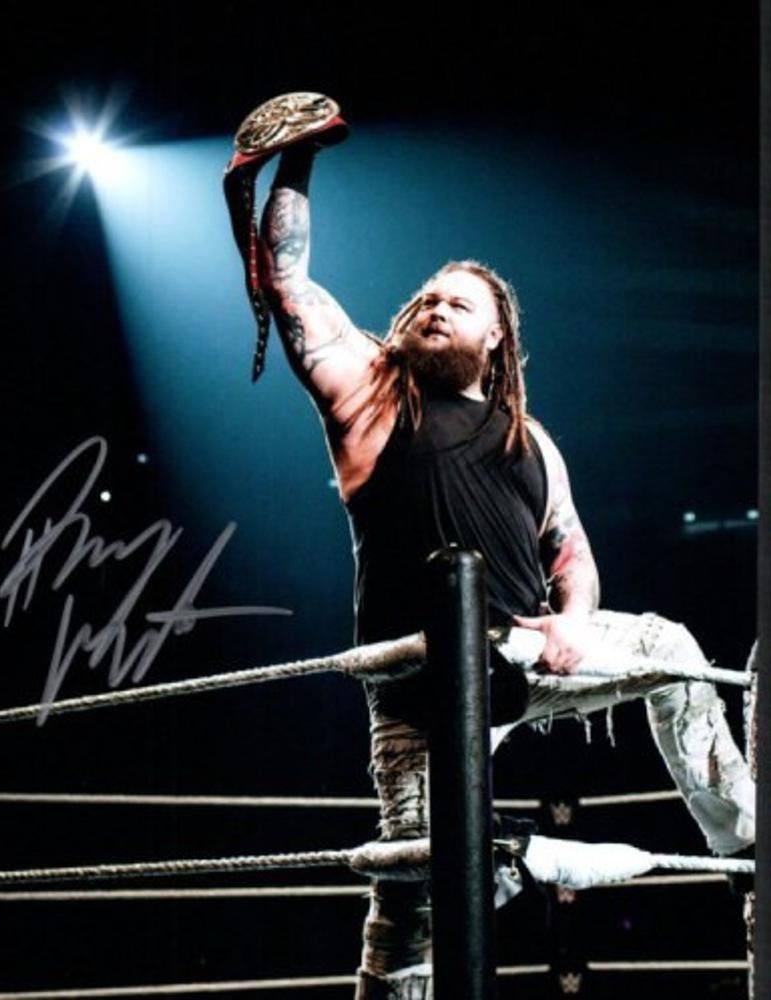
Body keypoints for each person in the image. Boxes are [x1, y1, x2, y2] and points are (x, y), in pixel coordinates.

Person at [246, 142, 754, 1000]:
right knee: (413, 891)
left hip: (527, 657)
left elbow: (571, 549)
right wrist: (294, 161)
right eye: (426, 299)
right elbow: (286, 284)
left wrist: (573, 621)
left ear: (495, 335)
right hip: (423, 690)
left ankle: (743, 848)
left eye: (458, 302)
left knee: (669, 649)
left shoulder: (531, 439)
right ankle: (467, 896)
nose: (434, 308)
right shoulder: (371, 393)